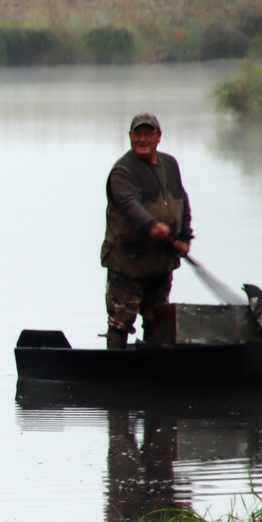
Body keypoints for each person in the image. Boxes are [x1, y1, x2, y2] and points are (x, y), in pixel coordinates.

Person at [101, 113, 191, 349]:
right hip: (128, 262)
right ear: (130, 137)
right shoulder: (123, 170)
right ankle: (114, 371)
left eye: (147, 134)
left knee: (157, 319)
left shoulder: (169, 164)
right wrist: (151, 225)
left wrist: (184, 237)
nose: (142, 139)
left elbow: (182, 200)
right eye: (137, 134)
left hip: (160, 261)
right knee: (120, 322)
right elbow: (129, 203)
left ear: (158, 137)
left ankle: (153, 370)